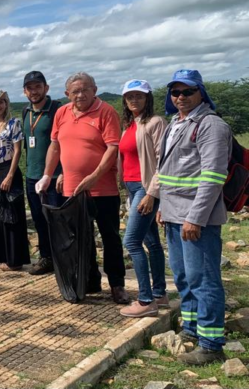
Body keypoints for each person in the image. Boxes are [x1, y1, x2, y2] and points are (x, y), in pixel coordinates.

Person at [157, 69, 232, 365]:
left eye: (187, 92)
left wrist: (195, 218)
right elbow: (168, 172)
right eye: (175, 92)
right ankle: (191, 328)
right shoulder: (174, 124)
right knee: (184, 276)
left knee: (204, 278)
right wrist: (162, 205)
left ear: (200, 92)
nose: (180, 98)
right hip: (173, 213)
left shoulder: (211, 125)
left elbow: (213, 176)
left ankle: (212, 343)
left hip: (196, 218)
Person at [39, 72, 129, 304]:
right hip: (72, 189)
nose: (80, 95)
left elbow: (112, 148)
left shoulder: (106, 112)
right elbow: (55, 146)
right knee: (80, 238)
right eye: (75, 91)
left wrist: (94, 176)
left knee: (110, 237)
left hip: (103, 189)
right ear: (67, 94)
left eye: (85, 89)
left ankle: (117, 284)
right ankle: (90, 280)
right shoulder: (62, 113)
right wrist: (49, 175)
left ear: (95, 90)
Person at [117, 80, 168, 318]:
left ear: (148, 98)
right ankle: (159, 293)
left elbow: (163, 161)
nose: (134, 100)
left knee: (131, 242)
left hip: (144, 188)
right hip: (132, 187)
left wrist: (151, 193)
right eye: (130, 97)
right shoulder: (129, 124)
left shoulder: (155, 123)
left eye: (139, 96)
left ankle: (146, 300)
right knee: (152, 243)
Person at [21, 71, 62, 275]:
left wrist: (63, 172)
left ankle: (61, 259)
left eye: (38, 87)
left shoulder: (57, 110)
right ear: (24, 91)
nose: (34, 91)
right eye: (30, 88)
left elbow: (65, 143)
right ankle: (46, 257)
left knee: (55, 221)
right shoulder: (25, 111)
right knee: (39, 219)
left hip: (55, 176)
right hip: (32, 175)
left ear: (46, 88)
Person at [0, 89, 30, 271]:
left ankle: (15, 259)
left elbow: (18, 150)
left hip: (8, 168)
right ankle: (0, 255)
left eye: (1, 102)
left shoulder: (14, 123)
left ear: (6, 103)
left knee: (12, 215)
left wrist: (10, 175)